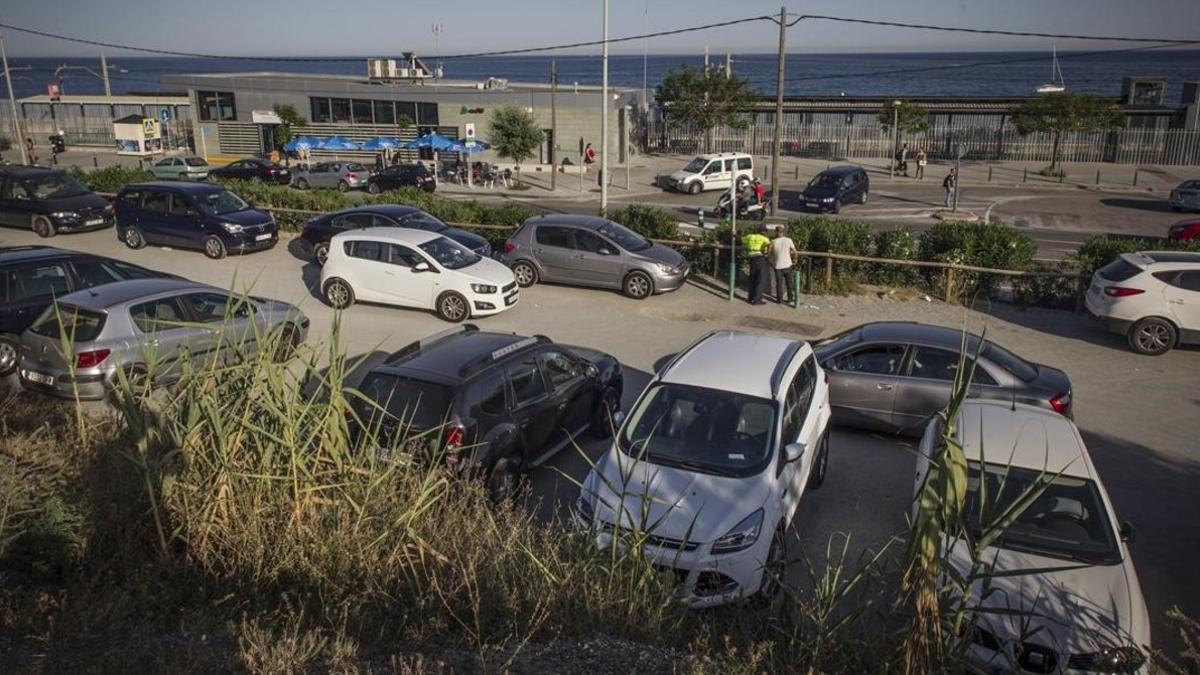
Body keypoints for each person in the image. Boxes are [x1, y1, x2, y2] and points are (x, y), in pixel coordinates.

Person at [742, 227, 772, 305]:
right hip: (759, 257)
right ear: (764, 233)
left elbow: (742, 240)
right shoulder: (764, 238)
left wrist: (734, 234)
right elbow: (770, 245)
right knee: (760, 279)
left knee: (752, 277)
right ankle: (757, 299)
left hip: (751, 257)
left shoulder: (750, 236)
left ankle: (750, 297)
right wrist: (767, 254)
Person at [769, 226, 797, 305]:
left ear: (776, 232)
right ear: (783, 232)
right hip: (788, 264)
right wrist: (795, 260)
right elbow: (794, 251)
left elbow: (768, 253)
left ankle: (779, 300)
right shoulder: (789, 240)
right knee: (789, 283)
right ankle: (790, 298)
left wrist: (770, 262)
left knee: (779, 283)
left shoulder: (773, 241)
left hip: (777, 265)